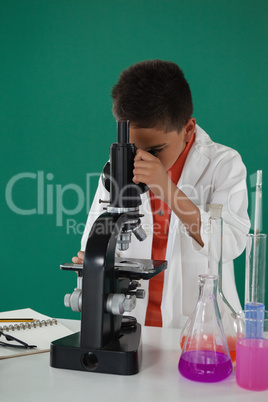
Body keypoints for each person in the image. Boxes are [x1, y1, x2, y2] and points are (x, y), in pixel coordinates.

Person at [72, 59, 250, 328]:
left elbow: (232, 244)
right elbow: (94, 238)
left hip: (201, 330)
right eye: (133, 148)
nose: (141, 159)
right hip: (132, 321)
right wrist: (95, 260)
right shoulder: (117, 168)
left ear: (188, 129)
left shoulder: (224, 164)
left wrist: (166, 189)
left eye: (155, 150)